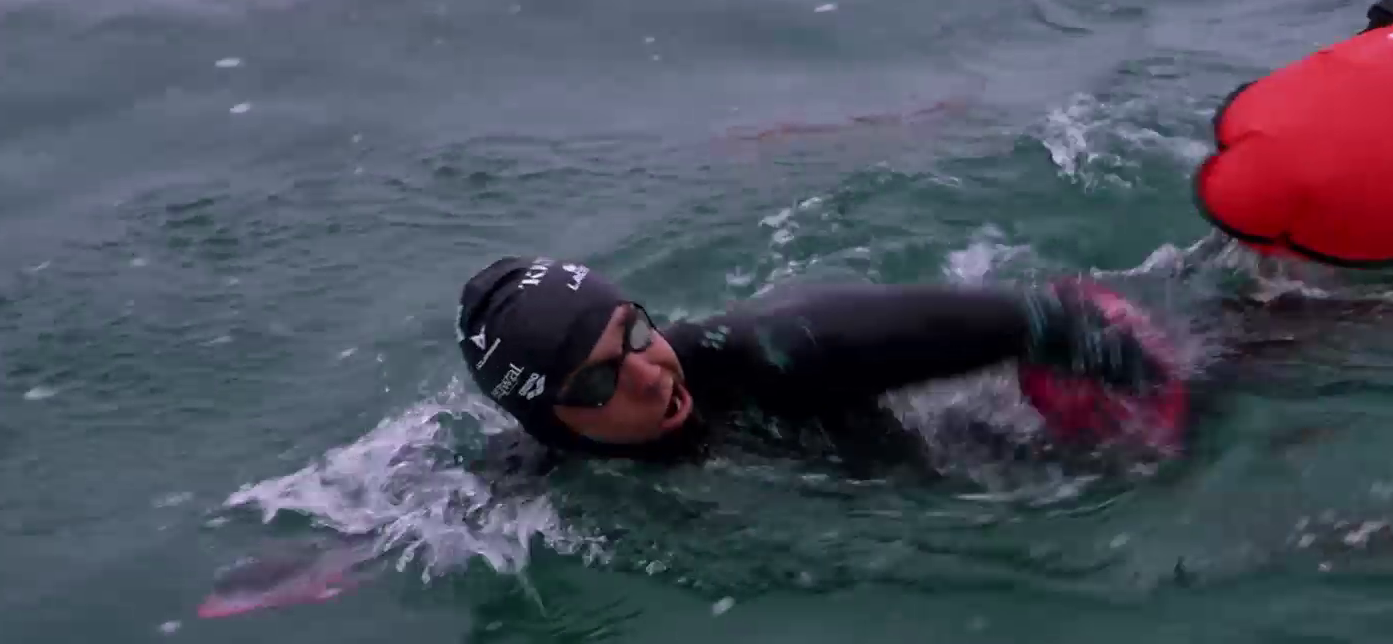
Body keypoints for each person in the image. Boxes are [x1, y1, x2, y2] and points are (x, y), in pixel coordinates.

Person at [454, 256, 1171, 469]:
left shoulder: (768, 356)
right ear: (551, 424)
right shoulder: (537, 470)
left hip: (958, 468)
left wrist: (1083, 342)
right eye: (599, 381)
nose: (649, 373)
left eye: (636, 334)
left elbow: (1036, 321)